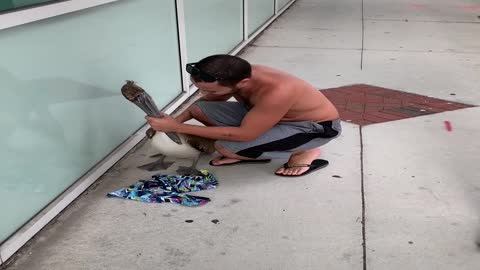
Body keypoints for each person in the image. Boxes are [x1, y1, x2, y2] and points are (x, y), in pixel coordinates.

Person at [145, 54, 342, 177]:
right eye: (199, 89)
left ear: (242, 83)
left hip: (313, 128)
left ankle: (304, 151)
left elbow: (244, 134)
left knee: (225, 146)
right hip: (269, 117)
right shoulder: (235, 72)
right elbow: (202, 105)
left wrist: (176, 128)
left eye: (211, 91)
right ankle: (250, 151)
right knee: (200, 108)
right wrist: (174, 120)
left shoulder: (278, 92)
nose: (205, 94)